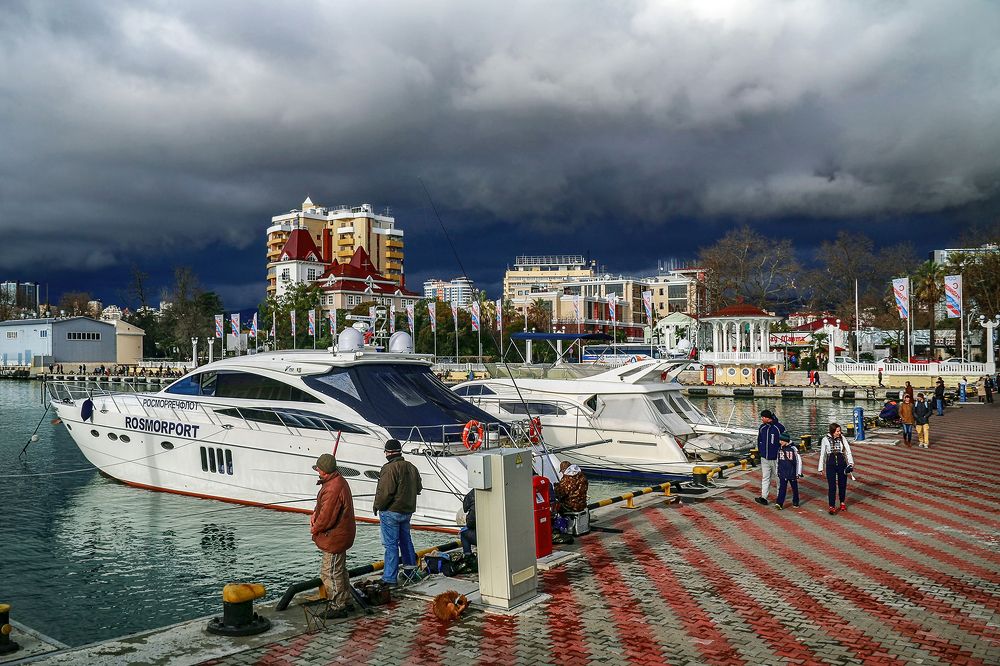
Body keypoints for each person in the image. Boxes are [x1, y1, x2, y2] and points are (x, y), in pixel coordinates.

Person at [310, 453, 356, 619]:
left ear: (324, 471)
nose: (318, 472)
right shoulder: (338, 481)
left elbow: (327, 517)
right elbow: (323, 509)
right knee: (340, 569)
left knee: (329, 572)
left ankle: (338, 606)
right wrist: (315, 513)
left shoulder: (332, 487)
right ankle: (346, 600)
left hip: (335, 537)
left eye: (319, 470)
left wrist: (315, 528)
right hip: (342, 534)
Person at [373, 439, 422, 585]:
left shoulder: (389, 468)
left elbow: (385, 493)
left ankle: (389, 578)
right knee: (406, 542)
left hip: (391, 512)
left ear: (388, 452)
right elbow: (419, 488)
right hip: (407, 511)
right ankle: (411, 572)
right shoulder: (411, 467)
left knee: (391, 545)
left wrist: (377, 506)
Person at [818, 423, 854, 515]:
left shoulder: (842, 438)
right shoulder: (825, 439)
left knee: (842, 484)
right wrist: (821, 467)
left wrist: (850, 463)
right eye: (837, 431)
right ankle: (832, 506)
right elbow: (822, 454)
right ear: (832, 431)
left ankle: (842, 502)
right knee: (832, 486)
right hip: (831, 463)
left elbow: (848, 450)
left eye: (840, 431)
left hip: (842, 462)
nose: (839, 432)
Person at [755, 410, 783, 505]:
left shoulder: (779, 427)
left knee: (778, 478)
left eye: (763, 417)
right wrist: (760, 452)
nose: (761, 419)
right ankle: (764, 497)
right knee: (765, 477)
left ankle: (780, 497)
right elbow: (759, 441)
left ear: (767, 418)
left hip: (776, 458)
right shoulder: (762, 428)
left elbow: (786, 440)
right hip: (764, 458)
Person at [774, 433, 802, 509]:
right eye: (780, 440)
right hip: (783, 472)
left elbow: (798, 461)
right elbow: (778, 460)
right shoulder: (780, 449)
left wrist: (798, 473)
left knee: (794, 488)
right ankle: (779, 503)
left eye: (782, 440)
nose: (780, 442)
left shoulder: (793, 449)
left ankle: (795, 502)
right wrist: (777, 471)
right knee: (782, 488)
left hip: (792, 473)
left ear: (786, 441)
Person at [460, 489, 476, 555]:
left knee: (463, 533)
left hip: (484, 537)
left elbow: (470, 523)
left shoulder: (472, 496)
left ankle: (468, 556)